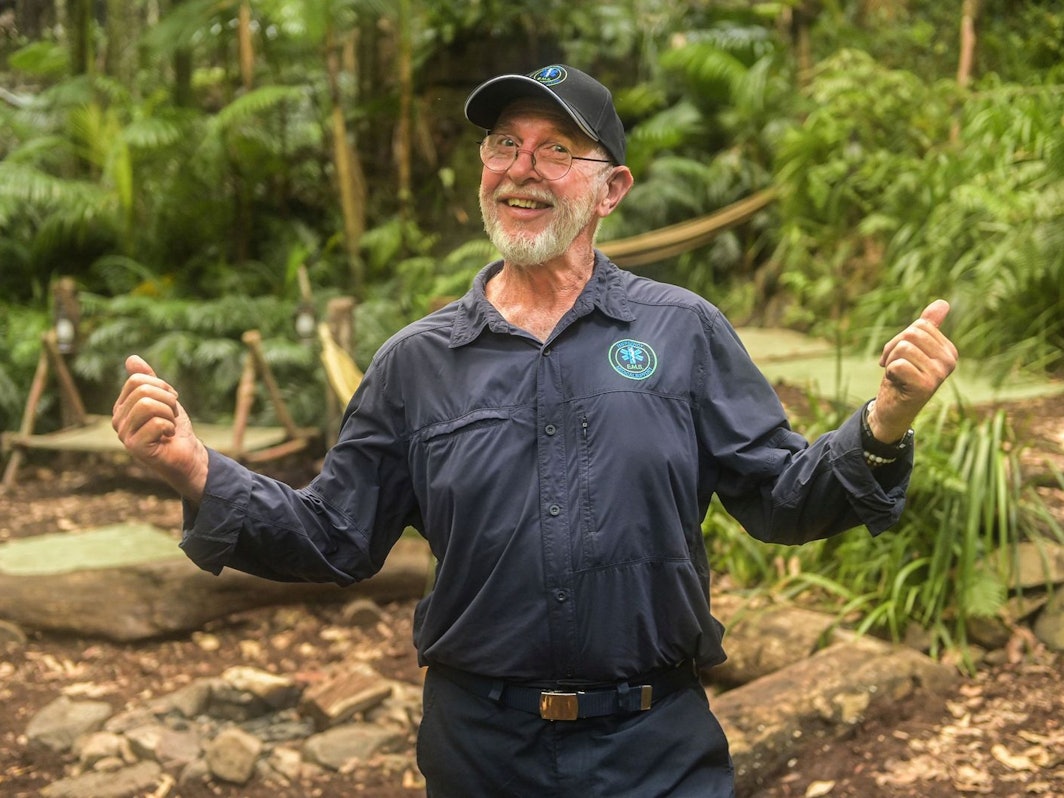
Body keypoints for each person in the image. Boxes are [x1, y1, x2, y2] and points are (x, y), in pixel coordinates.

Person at [112, 64, 958, 797]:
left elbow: (782, 500)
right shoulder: (417, 363)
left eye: (557, 149)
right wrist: (194, 468)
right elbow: (335, 535)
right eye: (503, 145)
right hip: (481, 752)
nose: (522, 169)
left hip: (654, 748)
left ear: (611, 189)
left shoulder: (682, 332)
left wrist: (886, 421)